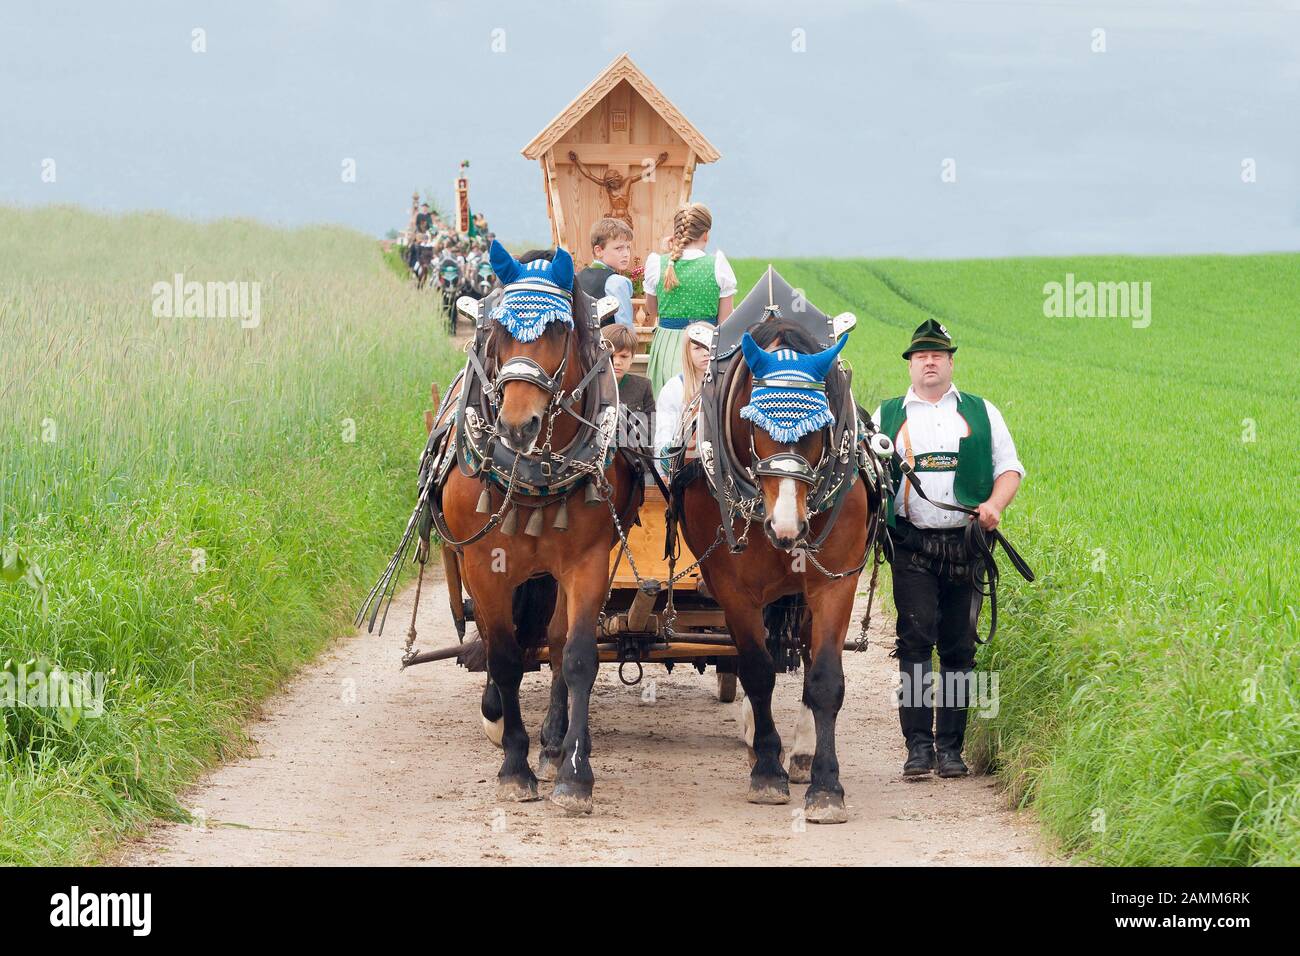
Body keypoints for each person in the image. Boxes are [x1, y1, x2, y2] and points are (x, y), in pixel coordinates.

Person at [871, 320, 1025, 780]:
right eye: (922, 356)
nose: (930, 362)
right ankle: (918, 748)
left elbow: (1010, 468)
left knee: (959, 650)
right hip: (912, 545)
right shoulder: (887, 415)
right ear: (912, 364)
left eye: (938, 355)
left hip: (966, 546)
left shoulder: (981, 412)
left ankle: (951, 750)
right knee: (915, 644)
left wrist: (996, 505)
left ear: (951, 362)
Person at [643, 203, 736, 396]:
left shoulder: (658, 263)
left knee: (668, 403)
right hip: (704, 346)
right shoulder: (717, 264)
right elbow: (725, 322)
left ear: (676, 233)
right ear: (706, 234)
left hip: (668, 346)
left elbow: (652, 310)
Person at [652, 322, 714, 478]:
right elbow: (664, 434)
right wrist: (664, 472)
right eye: (697, 348)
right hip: (687, 469)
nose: (705, 352)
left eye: (709, 345)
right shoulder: (674, 388)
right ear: (687, 353)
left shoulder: (728, 385)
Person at [600, 323, 654, 457]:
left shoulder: (643, 386)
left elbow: (650, 428)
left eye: (623, 356)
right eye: (612, 356)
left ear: (632, 358)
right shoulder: (591, 388)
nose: (617, 362)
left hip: (632, 460)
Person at [578, 218, 636, 328]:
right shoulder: (618, 282)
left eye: (628, 247)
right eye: (619, 248)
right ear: (598, 251)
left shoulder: (577, 278)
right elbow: (624, 327)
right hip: (610, 344)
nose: (626, 254)